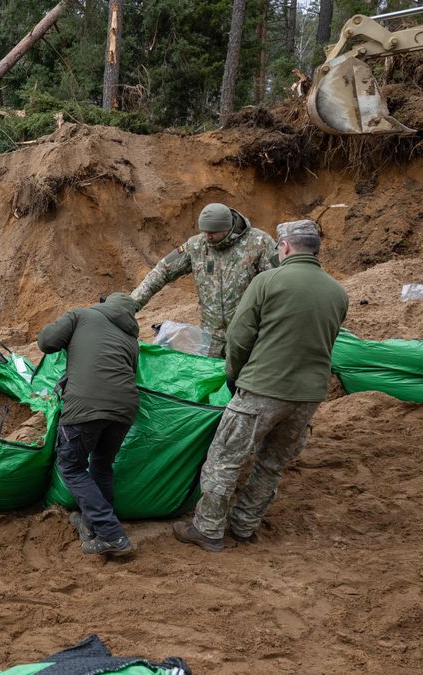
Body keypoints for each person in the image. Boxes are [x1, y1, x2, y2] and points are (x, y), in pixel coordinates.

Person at [173, 220, 348, 552]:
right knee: (271, 463)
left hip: (262, 389)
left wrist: (234, 375)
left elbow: (239, 337)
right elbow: (328, 339)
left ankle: (208, 529)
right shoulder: (338, 292)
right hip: (308, 395)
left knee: (225, 457)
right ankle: (244, 525)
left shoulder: (268, 281)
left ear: (283, 247)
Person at [38, 292, 140, 557]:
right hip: (125, 410)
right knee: (101, 464)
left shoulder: (81, 315)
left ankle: (112, 535)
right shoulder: (132, 339)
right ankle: (93, 523)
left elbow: (46, 342)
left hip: (86, 406)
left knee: (71, 467)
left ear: (106, 304)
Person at [130, 203, 278, 358]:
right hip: (210, 339)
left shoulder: (259, 243)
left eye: (212, 232)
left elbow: (280, 282)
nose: (207, 236)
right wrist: (131, 304)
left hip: (249, 336)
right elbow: (162, 271)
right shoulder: (196, 245)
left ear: (227, 228)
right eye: (204, 231)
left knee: (243, 380)